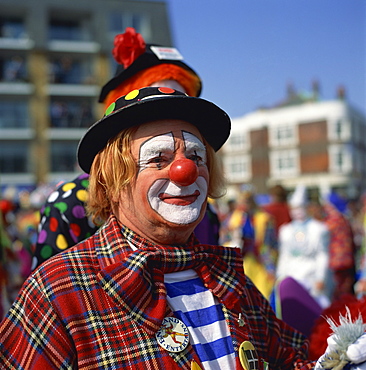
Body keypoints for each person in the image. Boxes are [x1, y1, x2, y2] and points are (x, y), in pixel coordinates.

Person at [1, 87, 319, 370]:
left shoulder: (229, 281)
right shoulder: (59, 289)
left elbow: (291, 360)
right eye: (158, 159)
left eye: (196, 156)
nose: (185, 170)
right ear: (112, 181)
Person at [32, 27, 219, 271]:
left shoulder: (204, 210)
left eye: (181, 102)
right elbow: (48, 288)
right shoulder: (72, 202)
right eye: (157, 101)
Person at [275, 185, 332, 309]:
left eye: (300, 207)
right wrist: (280, 278)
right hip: (292, 276)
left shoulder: (319, 229)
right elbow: (284, 255)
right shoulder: (285, 230)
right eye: (294, 208)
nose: (298, 211)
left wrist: (321, 277)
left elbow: (322, 254)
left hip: (311, 276)